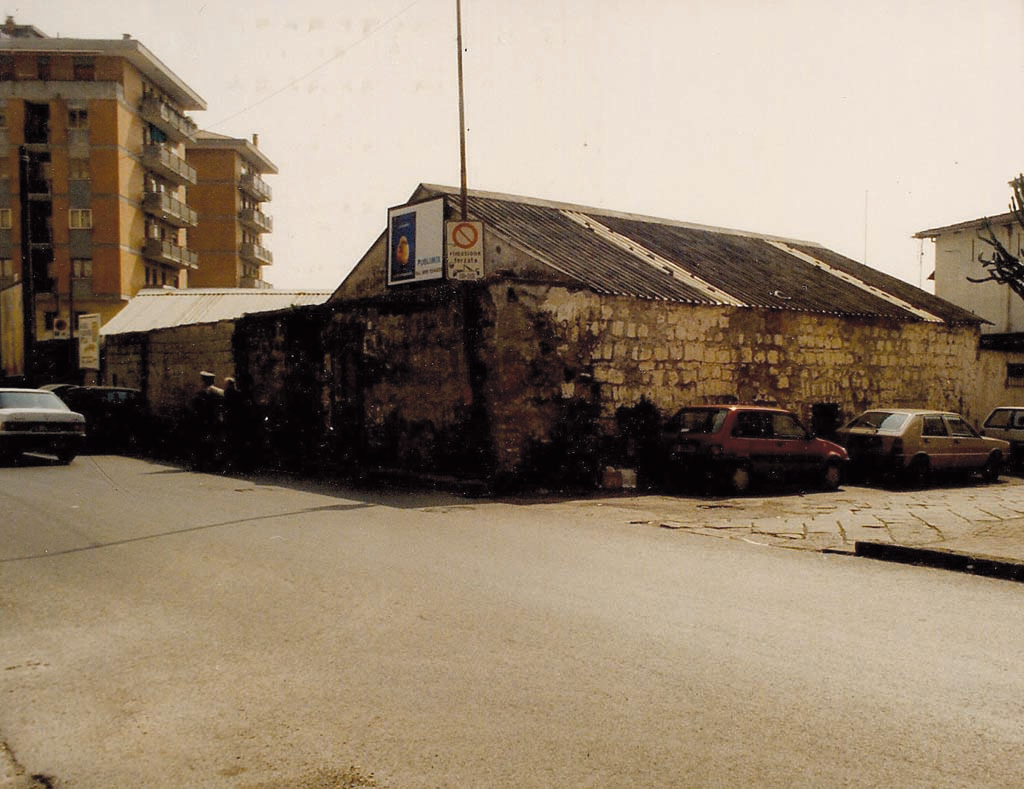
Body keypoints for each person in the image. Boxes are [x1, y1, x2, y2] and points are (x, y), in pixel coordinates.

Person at [190, 370, 225, 470]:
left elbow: (196, 408)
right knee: (212, 443)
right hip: (214, 421)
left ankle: (202, 464)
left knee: (202, 443)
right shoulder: (218, 392)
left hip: (203, 422)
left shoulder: (202, 393)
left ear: (203, 381)